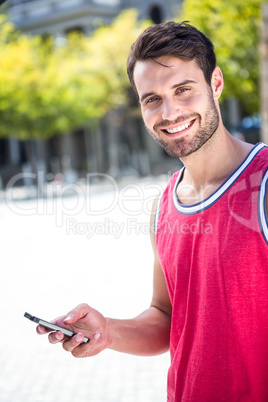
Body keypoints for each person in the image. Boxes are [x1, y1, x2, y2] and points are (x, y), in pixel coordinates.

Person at [37, 21, 268, 401]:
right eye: (152, 99)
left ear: (216, 84)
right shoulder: (164, 206)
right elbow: (166, 318)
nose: (170, 112)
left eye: (183, 90)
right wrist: (106, 331)